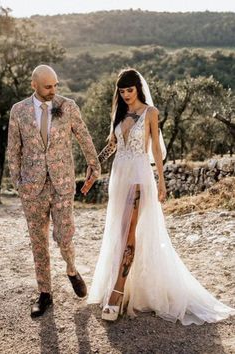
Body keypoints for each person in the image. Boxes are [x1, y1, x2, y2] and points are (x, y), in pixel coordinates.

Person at [87, 68, 235, 324]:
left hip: (139, 176)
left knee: (129, 230)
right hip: (119, 176)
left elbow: (155, 149)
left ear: (138, 88)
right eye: (121, 92)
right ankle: (124, 285)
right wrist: (93, 169)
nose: (125, 96)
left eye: (129, 91)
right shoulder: (119, 114)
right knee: (119, 231)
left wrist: (162, 181)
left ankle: (117, 292)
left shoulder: (150, 113)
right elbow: (112, 146)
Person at [7, 65, 101, 317]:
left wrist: (94, 163)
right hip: (32, 188)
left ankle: (71, 269)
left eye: (56, 85)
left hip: (62, 184)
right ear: (34, 85)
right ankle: (45, 293)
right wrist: (19, 183)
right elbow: (13, 149)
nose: (53, 90)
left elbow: (83, 135)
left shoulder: (68, 106)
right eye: (48, 86)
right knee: (38, 241)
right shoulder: (19, 111)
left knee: (64, 235)